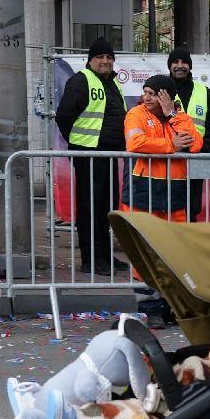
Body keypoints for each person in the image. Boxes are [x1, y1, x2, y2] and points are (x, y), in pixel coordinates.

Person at [7, 315, 210, 419]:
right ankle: (39, 401)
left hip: (163, 414)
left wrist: (160, 398)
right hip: (154, 391)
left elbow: (189, 401)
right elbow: (173, 361)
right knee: (100, 369)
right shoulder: (202, 356)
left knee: (118, 414)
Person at [53, 39, 129, 275]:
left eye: (109, 57)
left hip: (107, 154)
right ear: (90, 60)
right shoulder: (81, 80)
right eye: (100, 57)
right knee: (90, 208)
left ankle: (105, 256)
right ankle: (91, 260)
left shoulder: (111, 84)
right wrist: (77, 143)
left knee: (105, 207)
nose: (105, 61)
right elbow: (64, 115)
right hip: (89, 153)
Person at [122, 74, 202, 222]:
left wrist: (172, 114)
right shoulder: (136, 113)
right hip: (142, 192)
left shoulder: (179, 117)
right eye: (145, 92)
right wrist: (171, 145)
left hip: (174, 195)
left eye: (151, 94)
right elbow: (134, 142)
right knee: (141, 242)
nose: (146, 98)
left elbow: (195, 145)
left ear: (166, 98)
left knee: (173, 243)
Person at [167, 48, 210, 221]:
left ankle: (188, 246)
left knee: (192, 208)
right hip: (167, 159)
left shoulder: (203, 91)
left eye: (184, 62)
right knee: (167, 206)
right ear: (170, 66)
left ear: (190, 66)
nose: (180, 66)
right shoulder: (161, 90)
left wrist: (201, 151)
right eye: (175, 62)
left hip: (195, 160)